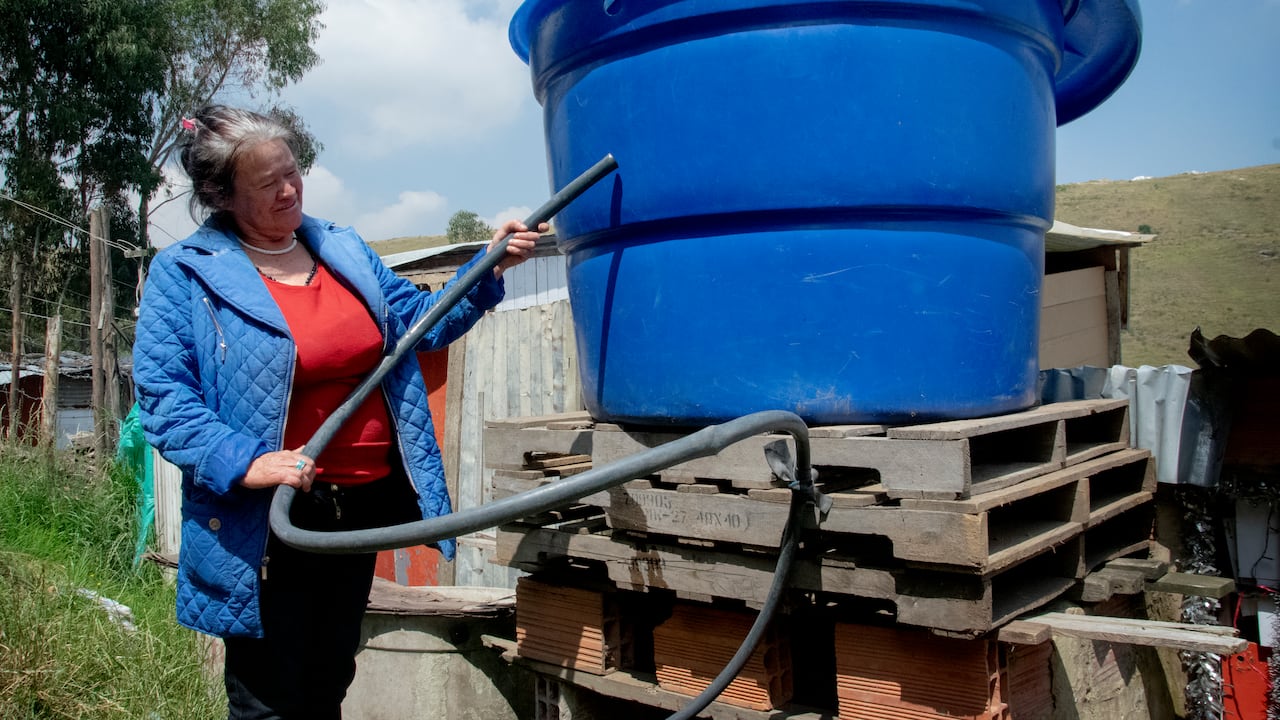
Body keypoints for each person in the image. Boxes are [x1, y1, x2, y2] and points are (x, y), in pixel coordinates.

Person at [132, 104, 543, 719]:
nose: (290, 189)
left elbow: (417, 325)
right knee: (268, 697)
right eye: (268, 183)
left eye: (293, 172)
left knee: (329, 680)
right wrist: (247, 461)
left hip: (358, 508)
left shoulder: (341, 249)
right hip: (268, 519)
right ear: (222, 195)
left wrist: (487, 269)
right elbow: (165, 397)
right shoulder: (187, 274)